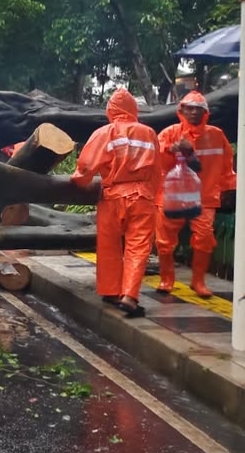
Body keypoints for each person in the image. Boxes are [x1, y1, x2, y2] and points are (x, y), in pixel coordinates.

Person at [70, 88, 160, 318]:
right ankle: (129, 296)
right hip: (142, 197)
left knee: (108, 246)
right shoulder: (149, 133)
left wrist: (80, 182)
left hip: (111, 197)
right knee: (137, 248)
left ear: (111, 110)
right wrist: (153, 197)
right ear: (133, 110)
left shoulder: (104, 133)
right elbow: (157, 171)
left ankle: (111, 291)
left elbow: (85, 168)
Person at [154, 91, 236, 298]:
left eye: (197, 108)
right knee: (164, 240)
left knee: (204, 238)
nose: (192, 112)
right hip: (172, 196)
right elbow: (155, 162)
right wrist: (170, 150)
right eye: (188, 108)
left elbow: (227, 165)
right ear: (181, 111)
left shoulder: (216, 135)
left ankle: (198, 281)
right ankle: (167, 279)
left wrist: (229, 187)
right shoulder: (169, 133)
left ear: (205, 112)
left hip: (204, 197)